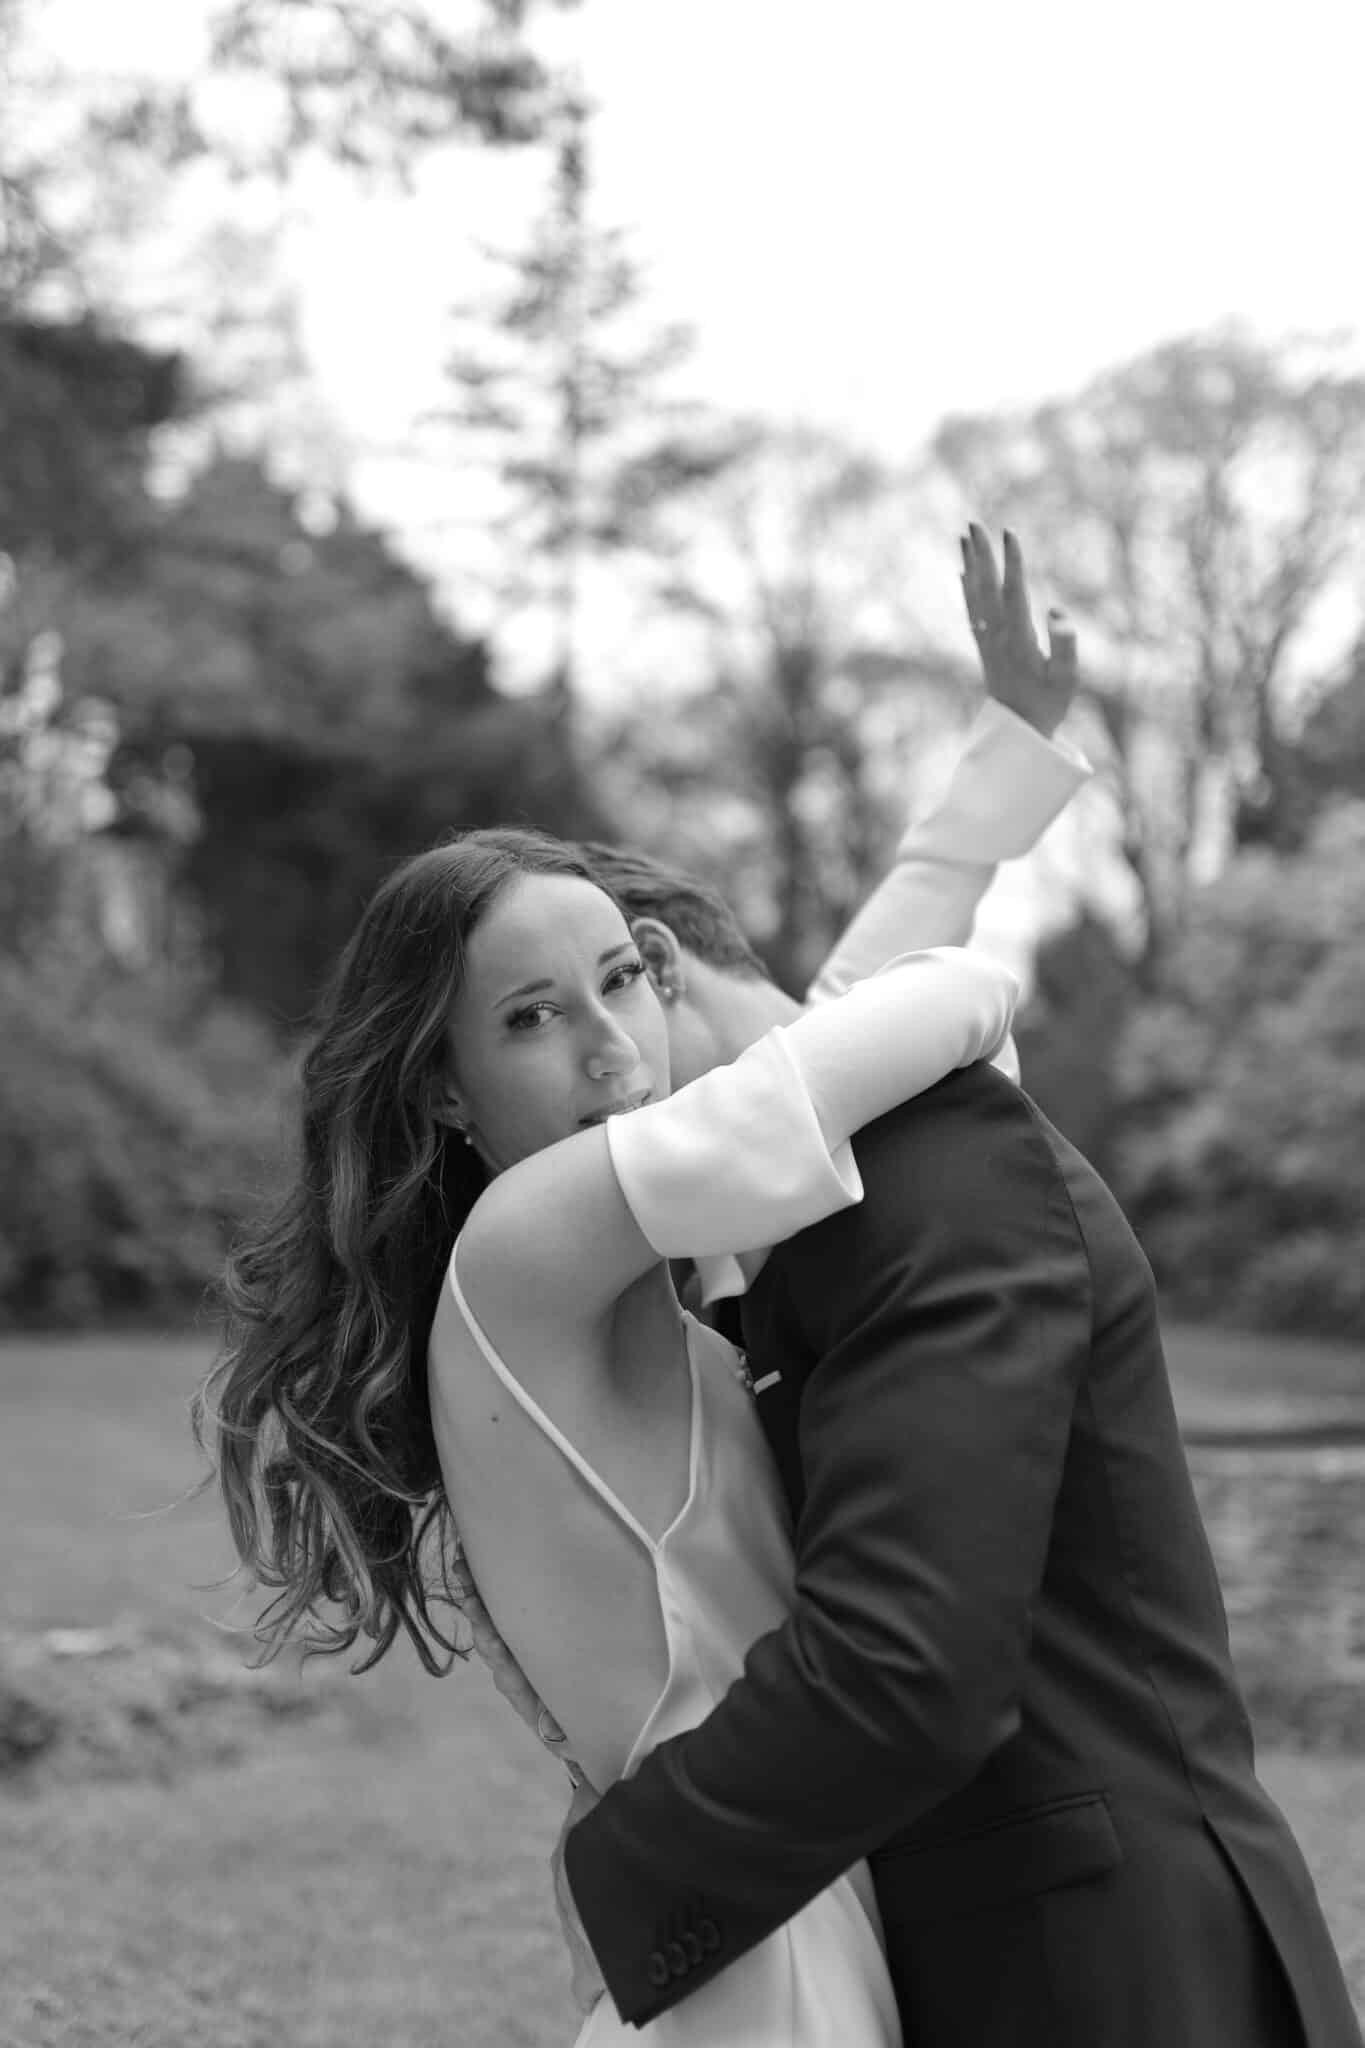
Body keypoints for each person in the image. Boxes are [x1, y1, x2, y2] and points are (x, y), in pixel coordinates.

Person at [199, 531, 1095, 2046]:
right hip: (749, 1944)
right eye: (535, 1016)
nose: (612, 1045)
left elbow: (783, 1056)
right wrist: (980, 984)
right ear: (442, 1092)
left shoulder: (614, 1274)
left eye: (625, 977)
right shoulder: (521, 1251)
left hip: (766, 1888)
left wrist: (996, 781)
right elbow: (829, 1060)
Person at [537, 557, 1365, 2043]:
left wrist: (619, 1874)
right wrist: (1002, 765)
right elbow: (828, 1023)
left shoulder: (925, 1163)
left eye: (581, 1011)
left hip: (1112, 1969)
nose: (597, 1137)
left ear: (645, 970)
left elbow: (908, 1670)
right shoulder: (805, 1175)